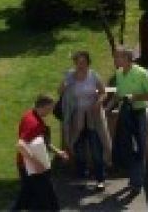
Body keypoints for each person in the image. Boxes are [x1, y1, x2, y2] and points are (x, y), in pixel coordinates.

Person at [58, 51, 109, 192]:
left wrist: (98, 102)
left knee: (96, 149)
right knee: (78, 148)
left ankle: (100, 179)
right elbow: (60, 92)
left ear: (88, 63)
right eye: (78, 62)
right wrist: (65, 83)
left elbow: (103, 93)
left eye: (83, 62)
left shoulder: (93, 75)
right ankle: (82, 174)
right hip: (76, 117)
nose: (81, 65)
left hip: (92, 117)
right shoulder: (70, 75)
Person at [109, 46, 148, 190]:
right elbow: (118, 94)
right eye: (115, 57)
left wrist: (135, 97)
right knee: (127, 146)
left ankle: (137, 182)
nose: (115, 59)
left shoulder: (141, 73)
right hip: (125, 114)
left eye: (118, 57)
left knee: (140, 148)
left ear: (128, 59)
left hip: (139, 113)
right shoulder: (118, 73)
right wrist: (107, 108)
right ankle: (133, 178)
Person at [14, 93, 66, 210]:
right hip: (33, 168)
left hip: (30, 167)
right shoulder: (33, 123)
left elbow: (43, 141)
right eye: (50, 108)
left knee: (27, 198)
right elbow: (20, 145)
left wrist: (58, 152)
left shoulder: (30, 114)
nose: (51, 111)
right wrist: (36, 163)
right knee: (47, 199)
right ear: (43, 106)